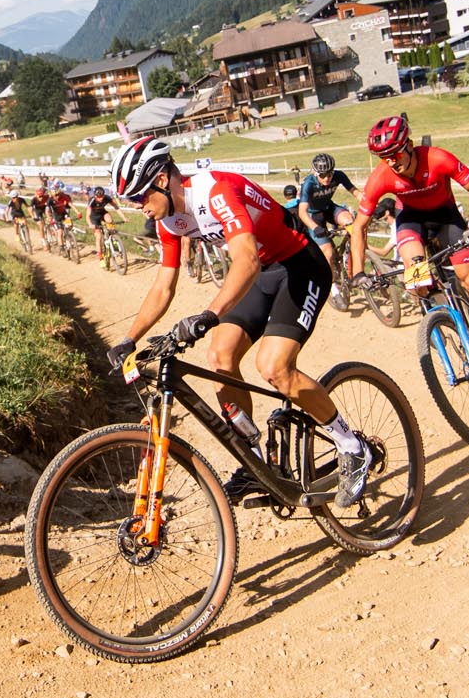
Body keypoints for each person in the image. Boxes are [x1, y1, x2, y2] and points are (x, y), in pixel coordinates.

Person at [106, 136, 370, 508]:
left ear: (162, 180)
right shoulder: (169, 220)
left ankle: (352, 447)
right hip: (263, 274)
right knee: (220, 356)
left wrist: (208, 315)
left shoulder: (215, 191)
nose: (139, 207)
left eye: (139, 196)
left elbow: (246, 260)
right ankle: (255, 462)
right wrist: (129, 338)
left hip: (300, 264)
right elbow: (164, 285)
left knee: (274, 367)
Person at [354, 113, 469, 385]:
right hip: (411, 222)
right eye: (384, 157)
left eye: (395, 154)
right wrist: (358, 272)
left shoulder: (438, 158)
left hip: (446, 218)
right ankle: (433, 310)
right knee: (417, 280)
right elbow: (359, 227)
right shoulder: (381, 176)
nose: (391, 162)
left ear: (409, 145)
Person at [297, 152, 360, 305]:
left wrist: (370, 206)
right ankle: (332, 287)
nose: (326, 178)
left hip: (329, 208)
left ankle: (349, 259)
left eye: (329, 174)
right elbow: (302, 212)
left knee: (351, 222)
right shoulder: (309, 183)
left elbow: (356, 193)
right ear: (315, 173)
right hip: (313, 215)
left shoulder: (339, 175)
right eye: (322, 175)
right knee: (328, 252)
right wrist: (314, 227)